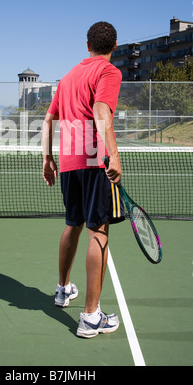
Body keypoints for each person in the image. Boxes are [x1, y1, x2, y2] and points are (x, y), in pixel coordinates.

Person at [42, 21, 125, 338]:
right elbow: (102, 110)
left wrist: (47, 158)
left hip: (68, 161)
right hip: (94, 161)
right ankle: (91, 316)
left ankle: (63, 290)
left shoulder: (68, 77)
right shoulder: (109, 72)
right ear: (114, 47)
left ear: (87, 44)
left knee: (72, 223)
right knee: (98, 232)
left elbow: (50, 118)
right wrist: (113, 155)